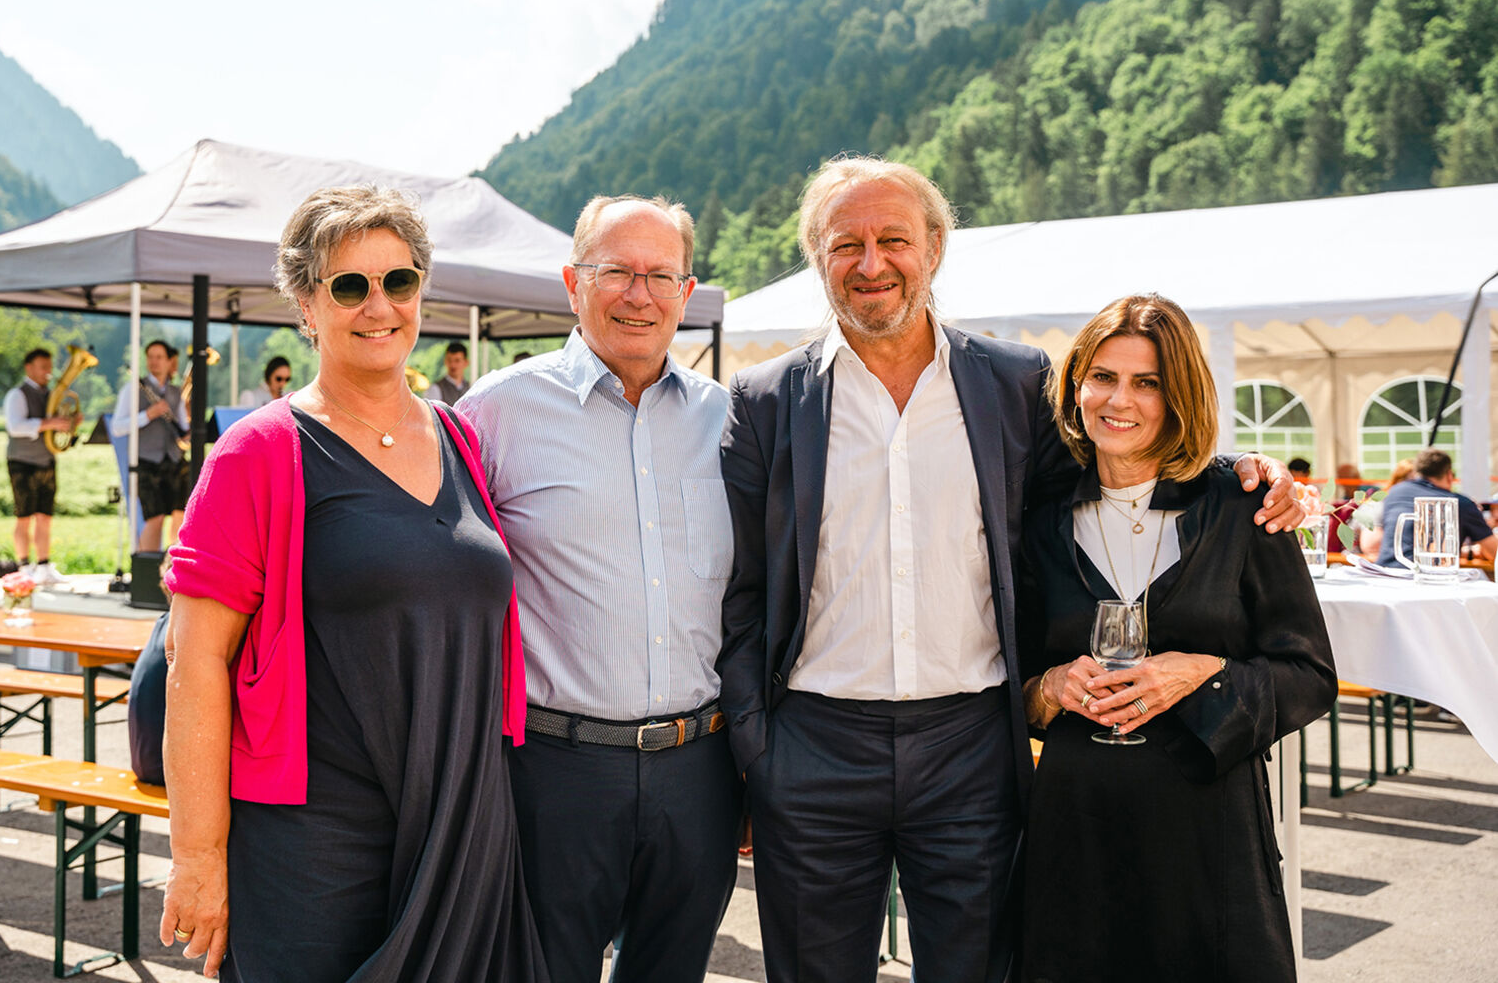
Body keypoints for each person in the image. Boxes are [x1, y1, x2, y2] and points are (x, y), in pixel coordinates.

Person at [718, 157, 1303, 983]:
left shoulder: (1014, 381)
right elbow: (739, 593)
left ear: (935, 246)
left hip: (969, 744)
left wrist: (1245, 471)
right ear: (816, 253)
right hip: (814, 744)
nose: (871, 263)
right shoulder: (764, 398)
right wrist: (757, 751)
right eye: (844, 243)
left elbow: (1118, 459)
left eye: (893, 239)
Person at [159, 185, 547, 982]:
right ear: (306, 304)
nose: (380, 306)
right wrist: (197, 857)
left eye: (398, 281)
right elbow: (193, 664)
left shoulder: (458, 436)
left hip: (457, 814)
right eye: (349, 285)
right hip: (315, 837)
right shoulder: (258, 452)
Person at [457, 195, 739, 983]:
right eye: (616, 271)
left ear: (687, 294)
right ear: (572, 282)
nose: (637, 294)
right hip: (555, 770)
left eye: (659, 276)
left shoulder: (730, 421)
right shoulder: (495, 411)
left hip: (700, 768)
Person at [1018, 293, 1336, 983]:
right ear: (1076, 385)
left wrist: (1204, 673)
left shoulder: (1240, 505)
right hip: (1075, 821)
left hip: (1207, 822)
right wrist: (1043, 689)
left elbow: (1309, 675)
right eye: (1101, 376)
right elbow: (1004, 674)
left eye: (1147, 382)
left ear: (1179, 393)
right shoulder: (1037, 516)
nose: (1118, 400)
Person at [2, 347, 80, 584]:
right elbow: (14, 426)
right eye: (43, 367)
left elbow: (55, 424)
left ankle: (44, 565)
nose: (48, 372)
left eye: (49, 366)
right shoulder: (17, 394)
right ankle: (24, 566)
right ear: (29, 368)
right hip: (22, 461)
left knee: (45, 516)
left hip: (46, 459)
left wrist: (69, 422)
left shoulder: (52, 395)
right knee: (24, 516)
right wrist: (49, 423)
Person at [114, 339, 190, 552]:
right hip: (147, 461)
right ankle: (148, 564)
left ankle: (173, 563)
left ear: (169, 361)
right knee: (154, 516)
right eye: (150, 357)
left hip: (173, 460)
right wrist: (148, 415)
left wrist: (187, 435)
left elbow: (183, 426)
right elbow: (117, 427)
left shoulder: (176, 392)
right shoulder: (133, 389)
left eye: (159, 357)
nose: (154, 362)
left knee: (180, 513)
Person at [1375, 448, 1496, 568]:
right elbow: (1494, 553)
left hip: (1385, 571)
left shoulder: (1395, 491)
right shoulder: (1458, 503)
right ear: (1449, 475)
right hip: (1428, 576)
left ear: (1418, 472)